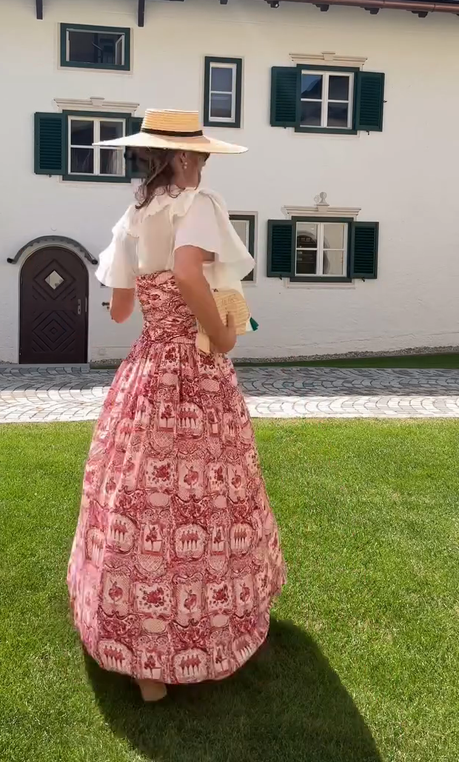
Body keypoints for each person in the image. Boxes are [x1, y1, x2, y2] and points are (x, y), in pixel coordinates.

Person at [67, 109, 286, 702]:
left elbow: (118, 310)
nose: (205, 166)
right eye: (203, 157)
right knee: (207, 489)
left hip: (147, 366)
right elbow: (191, 272)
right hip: (193, 367)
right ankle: (206, 629)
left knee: (139, 492)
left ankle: (144, 664)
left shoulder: (132, 216)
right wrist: (220, 335)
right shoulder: (200, 204)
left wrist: (152, 297)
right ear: (186, 158)